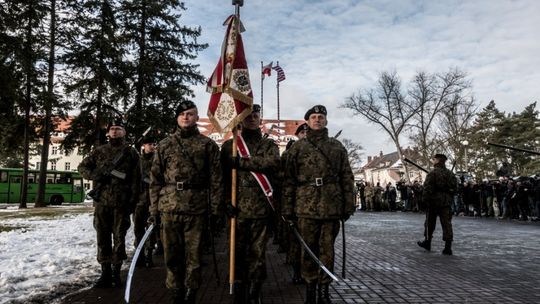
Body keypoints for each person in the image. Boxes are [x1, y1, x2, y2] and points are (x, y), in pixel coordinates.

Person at [149, 100, 223, 304]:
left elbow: (216, 180)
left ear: (197, 117)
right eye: (182, 114)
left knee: (194, 256)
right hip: (169, 207)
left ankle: (192, 291)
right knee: (171, 255)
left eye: (190, 114)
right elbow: (155, 180)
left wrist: (216, 210)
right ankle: (176, 290)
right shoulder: (165, 144)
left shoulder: (207, 145)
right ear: (177, 118)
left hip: (197, 208)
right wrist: (153, 208)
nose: (185, 117)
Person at [283, 105, 355, 304]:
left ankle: (324, 291)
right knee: (308, 252)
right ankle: (310, 290)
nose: (317, 120)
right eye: (313, 117)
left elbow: (346, 177)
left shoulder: (337, 147)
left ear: (326, 121)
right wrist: (287, 209)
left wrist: (348, 205)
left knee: (327, 251)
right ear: (307, 122)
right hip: (305, 207)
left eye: (321, 117)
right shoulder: (298, 148)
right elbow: (288, 180)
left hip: (331, 207)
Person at [221, 104, 280, 304]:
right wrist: (225, 202)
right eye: (248, 116)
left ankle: (255, 290)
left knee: (257, 252)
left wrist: (241, 163)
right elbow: (221, 178)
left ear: (260, 120)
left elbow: (270, 164)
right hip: (236, 209)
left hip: (261, 208)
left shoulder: (269, 145)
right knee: (236, 250)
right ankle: (239, 287)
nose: (252, 119)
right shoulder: (230, 146)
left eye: (256, 116)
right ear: (241, 119)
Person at [78, 118, 141, 288]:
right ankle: (104, 273)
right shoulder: (99, 152)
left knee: (119, 238)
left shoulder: (131, 153)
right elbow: (82, 168)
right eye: (112, 128)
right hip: (102, 203)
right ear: (108, 132)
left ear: (124, 132)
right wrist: (97, 175)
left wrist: (132, 202)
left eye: (118, 128)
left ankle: (116, 272)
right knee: (102, 238)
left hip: (121, 204)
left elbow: (136, 180)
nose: (115, 131)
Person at [283, 123, 309, 285]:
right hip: (296, 202)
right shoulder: (290, 153)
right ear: (298, 135)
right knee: (295, 242)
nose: (305, 134)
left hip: (314, 205)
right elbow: (284, 178)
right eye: (302, 132)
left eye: (308, 132)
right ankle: (296, 271)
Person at [417, 153, 457, 255]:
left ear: (438, 161)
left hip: (433, 202)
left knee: (430, 223)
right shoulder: (450, 174)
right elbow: (455, 189)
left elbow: (427, 189)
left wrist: (424, 201)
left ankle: (428, 242)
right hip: (446, 202)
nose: (433, 161)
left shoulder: (433, 173)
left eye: (434, 159)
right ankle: (448, 247)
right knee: (447, 224)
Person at [133, 134, 157, 267]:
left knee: (151, 229)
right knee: (138, 229)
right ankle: (139, 255)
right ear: (144, 146)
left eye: (154, 144)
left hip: (152, 201)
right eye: (149, 144)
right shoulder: (138, 161)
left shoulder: (157, 160)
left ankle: (149, 254)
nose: (152, 146)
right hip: (139, 200)